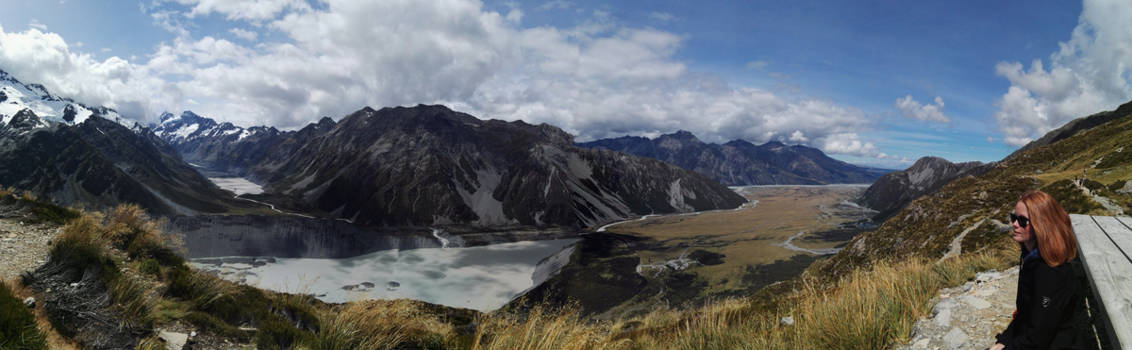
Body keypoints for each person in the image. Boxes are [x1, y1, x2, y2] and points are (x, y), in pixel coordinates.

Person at [991, 190, 1086, 350]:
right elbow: (1024, 314)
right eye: (1014, 218)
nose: (1014, 224)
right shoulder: (1031, 256)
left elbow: (1038, 337)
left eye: (1022, 221)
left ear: (1042, 224)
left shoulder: (1051, 272)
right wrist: (1003, 341)